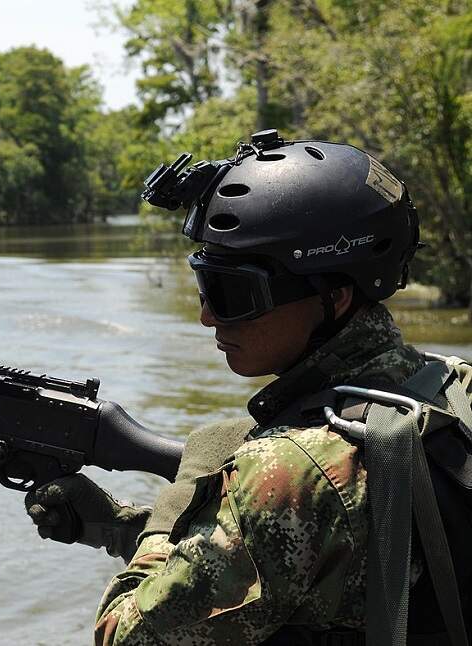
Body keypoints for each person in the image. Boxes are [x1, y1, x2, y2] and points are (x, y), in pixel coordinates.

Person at [24, 131, 469, 644]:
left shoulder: (292, 472)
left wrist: (179, 502)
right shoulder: (451, 391)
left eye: (232, 292)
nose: (207, 315)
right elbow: (325, 564)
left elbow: (122, 636)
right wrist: (118, 527)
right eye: (204, 283)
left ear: (337, 296)